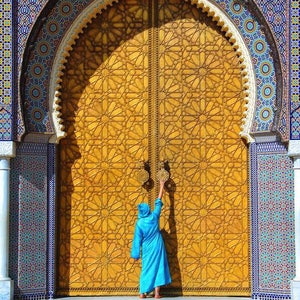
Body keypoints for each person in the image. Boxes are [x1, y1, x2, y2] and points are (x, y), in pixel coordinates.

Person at [131, 180, 172, 298]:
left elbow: (136, 240)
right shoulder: (154, 217)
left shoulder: (139, 223)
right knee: (158, 266)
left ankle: (142, 292)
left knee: (146, 267)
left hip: (147, 248)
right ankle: (157, 293)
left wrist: (135, 255)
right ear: (148, 210)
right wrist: (162, 186)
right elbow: (158, 202)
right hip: (157, 245)